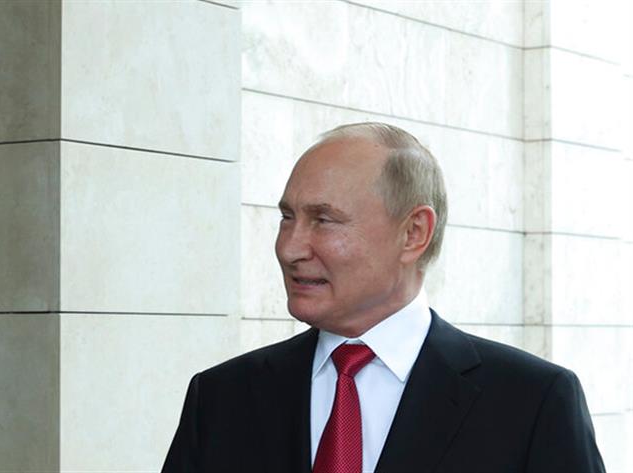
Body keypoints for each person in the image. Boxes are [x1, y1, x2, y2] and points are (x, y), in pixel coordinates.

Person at [162, 122, 604, 472]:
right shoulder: (220, 398)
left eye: (323, 220)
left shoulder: (532, 403)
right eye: (287, 217)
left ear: (413, 233)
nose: (290, 248)